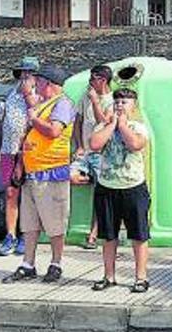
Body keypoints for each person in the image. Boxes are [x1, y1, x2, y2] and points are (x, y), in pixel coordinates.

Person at [5, 66, 76, 283]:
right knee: (29, 222)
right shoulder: (43, 105)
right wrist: (20, 164)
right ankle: (28, 263)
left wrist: (34, 118)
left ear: (49, 83)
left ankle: (56, 263)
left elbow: (54, 131)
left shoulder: (62, 104)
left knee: (55, 221)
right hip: (33, 171)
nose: (37, 86)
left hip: (51, 172)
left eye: (40, 82)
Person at [88, 88, 152, 293]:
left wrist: (123, 125)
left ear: (133, 106)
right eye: (116, 102)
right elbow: (95, 144)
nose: (119, 105)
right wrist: (113, 124)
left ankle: (141, 277)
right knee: (108, 235)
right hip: (107, 186)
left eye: (124, 102)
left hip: (133, 186)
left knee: (139, 234)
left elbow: (135, 144)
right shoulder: (104, 126)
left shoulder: (138, 126)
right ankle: (109, 276)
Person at [0, 56, 40, 257]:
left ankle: (25, 234)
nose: (25, 77)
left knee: (29, 195)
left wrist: (29, 95)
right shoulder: (11, 94)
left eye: (29, 73)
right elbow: (3, 124)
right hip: (8, 150)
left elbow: (35, 120)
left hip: (29, 152)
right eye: (23, 73)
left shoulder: (39, 95)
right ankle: (10, 234)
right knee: (11, 193)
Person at [72, 64, 114, 250]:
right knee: (70, 176)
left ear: (102, 80)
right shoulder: (85, 97)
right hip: (84, 151)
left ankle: (94, 233)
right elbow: (78, 121)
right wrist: (79, 145)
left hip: (100, 153)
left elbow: (103, 123)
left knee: (100, 194)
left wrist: (96, 102)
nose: (90, 83)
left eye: (93, 79)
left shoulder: (112, 100)